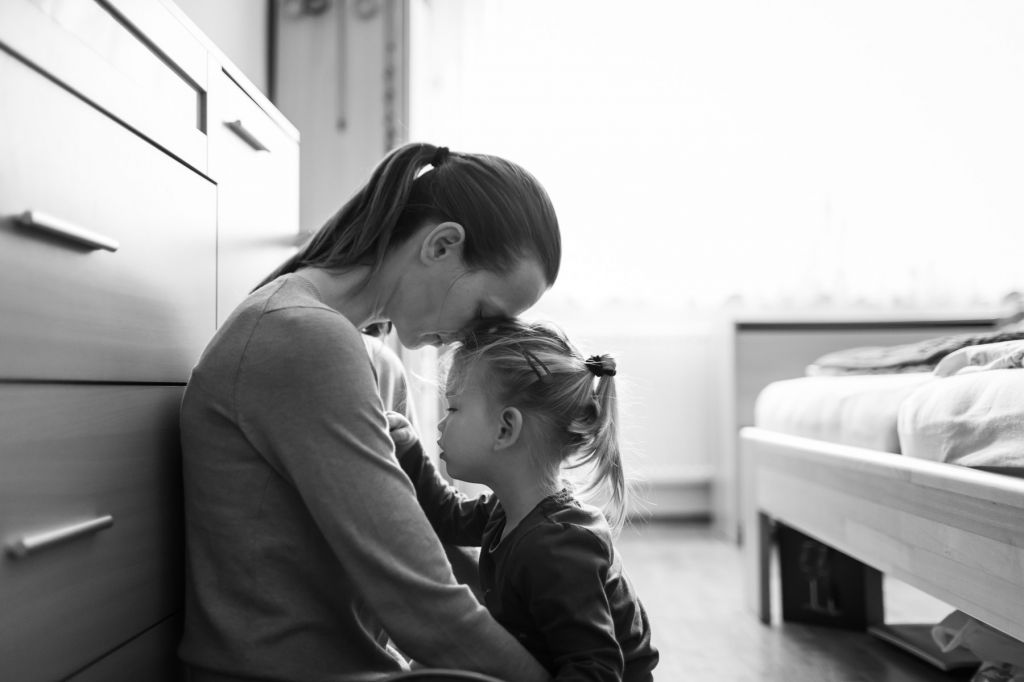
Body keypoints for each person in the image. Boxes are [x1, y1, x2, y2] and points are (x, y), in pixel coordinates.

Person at [178, 142, 561, 682]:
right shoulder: (301, 338)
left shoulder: (376, 364)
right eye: (481, 314)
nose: (467, 341)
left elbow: (431, 557)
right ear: (442, 245)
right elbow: (421, 603)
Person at [388, 319, 659, 682]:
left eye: (453, 409)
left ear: (505, 428)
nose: (441, 425)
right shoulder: (510, 511)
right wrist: (406, 445)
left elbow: (595, 668)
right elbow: (448, 517)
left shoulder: (557, 547)